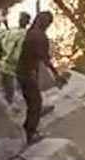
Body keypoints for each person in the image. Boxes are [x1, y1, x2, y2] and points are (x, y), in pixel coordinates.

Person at [18, 11, 67, 144]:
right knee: (36, 103)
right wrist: (57, 75)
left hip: (22, 71)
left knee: (32, 99)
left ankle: (29, 127)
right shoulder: (39, 37)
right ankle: (29, 134)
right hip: (26, 72)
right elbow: (45, 58)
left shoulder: (30, 32)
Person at [0, 12, 30, 105]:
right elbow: (17, 54)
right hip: (12, 67)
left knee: (7, 91)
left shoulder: (12, 31)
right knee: (10, 92)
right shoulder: (23, 35)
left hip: (4, 64)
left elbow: (1, 38)